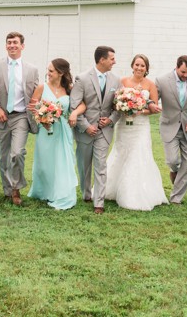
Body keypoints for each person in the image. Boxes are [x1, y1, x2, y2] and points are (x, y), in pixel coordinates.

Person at [102, 54, 168, 211]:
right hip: (124, 125)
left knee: (138, 155)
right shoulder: (122, 82)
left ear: (146, 68)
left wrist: (139, 111)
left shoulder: (151, 85)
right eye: (137, 65)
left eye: (142, 66)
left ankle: (134, 194)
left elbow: (154, 109)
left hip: (140, 126)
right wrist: (124, 108)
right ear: (132, 66)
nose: (139, 68)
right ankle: (111, 189)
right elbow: (115, 102)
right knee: (120, 153)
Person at [0, 32, 40, 205]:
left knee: (16, 153)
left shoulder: (32, 69)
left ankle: (16, 188)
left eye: (15, 43)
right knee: (3, 156)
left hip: (21, 116)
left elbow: (35, 95)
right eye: (9, 43)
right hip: (1, 117)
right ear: (6, 45)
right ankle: (7, 190)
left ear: (22, 46)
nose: (12, 46)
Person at [69, 46, 121, 214]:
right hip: (85, 130)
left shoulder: (116, 80)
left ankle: (99, 202)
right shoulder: (82, 78)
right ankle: (86, 193)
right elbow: (74, 105)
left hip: (104, 131)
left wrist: (111, 119)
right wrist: (85, 126)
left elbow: (119, 107)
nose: (115, 62)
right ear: (102, 60)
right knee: (84, 165)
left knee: (100, 165)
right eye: (112, 58)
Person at [27, 58, 79, 210]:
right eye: (48, 70)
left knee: (62, 161)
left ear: (61, 73)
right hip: (46, 129)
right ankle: (45, 191)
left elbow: (82, 103)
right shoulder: (42, 87)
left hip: (62, 130)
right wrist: (42, 118)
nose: (48, 73)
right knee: (45, 162)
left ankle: (61, 193)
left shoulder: (70, 88)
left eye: (51, 71)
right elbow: (32, 106)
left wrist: (74, 113)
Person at [155, 55, 187, 204]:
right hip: (169, 126)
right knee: (172, 160)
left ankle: (177, 197)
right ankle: (173, 171)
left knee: (186, 163)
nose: (185, 75)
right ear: (177, 67)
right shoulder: (162, 80)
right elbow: (152, 99)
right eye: (183, 72)